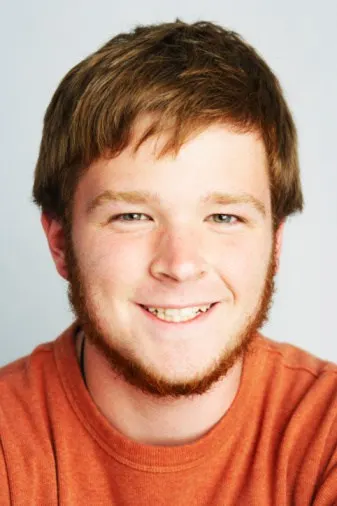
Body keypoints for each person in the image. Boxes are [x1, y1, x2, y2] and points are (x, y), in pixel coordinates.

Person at [0, 19, 336, 505]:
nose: (180, 265)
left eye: (224, 216)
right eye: (132, 215)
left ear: (276, 245)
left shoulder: (325, 436)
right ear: (59, 243)